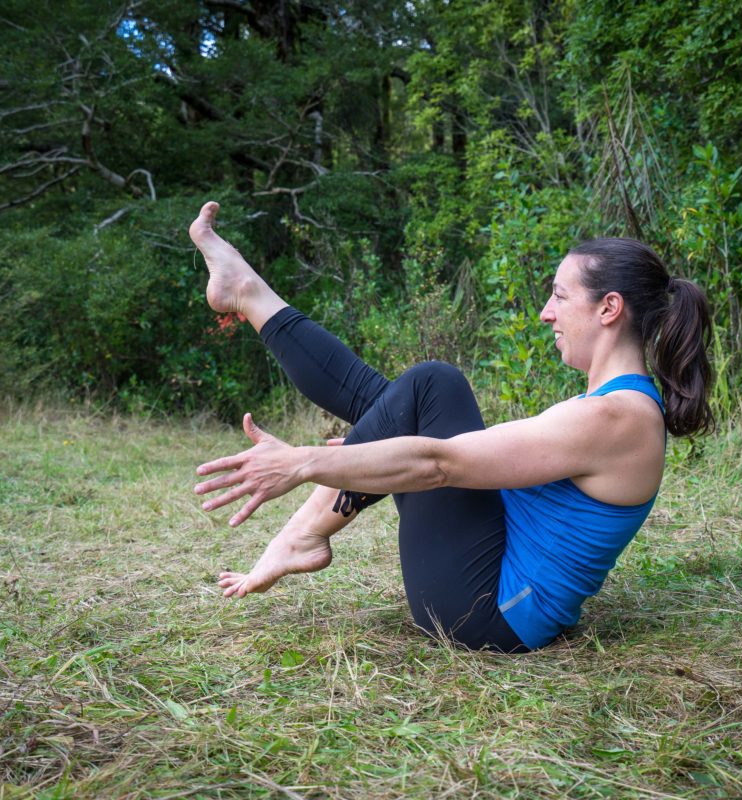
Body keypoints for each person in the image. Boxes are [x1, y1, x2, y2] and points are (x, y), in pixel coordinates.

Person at [189, 201, 713, 653]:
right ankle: (248, 291)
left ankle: (300, 535)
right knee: (407, 398)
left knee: (429, 385)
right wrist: (369, 442)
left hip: (484, 612)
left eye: (559, 295)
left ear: (609, 308)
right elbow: (465, 453)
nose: (545, 313)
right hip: (484, 579)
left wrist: (304, 462)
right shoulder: (610, 404)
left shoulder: (616, 417)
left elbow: (440, 464)